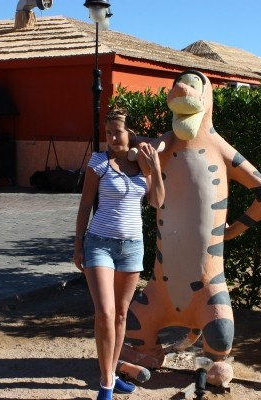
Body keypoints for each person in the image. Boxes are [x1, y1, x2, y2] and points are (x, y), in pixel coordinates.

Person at [73, 108, 165, 400]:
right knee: (105, 312)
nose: (112, 138)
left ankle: (112, 374)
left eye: (118, 132)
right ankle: (105, 384)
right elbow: (85, 205)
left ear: (131, 134)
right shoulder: (99, 161)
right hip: (99, 244)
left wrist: (155, 168)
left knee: (122, 314)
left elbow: (157, 201)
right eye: (108, 133)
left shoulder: (143, 164)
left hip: (132, 247)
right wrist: (78, 244)